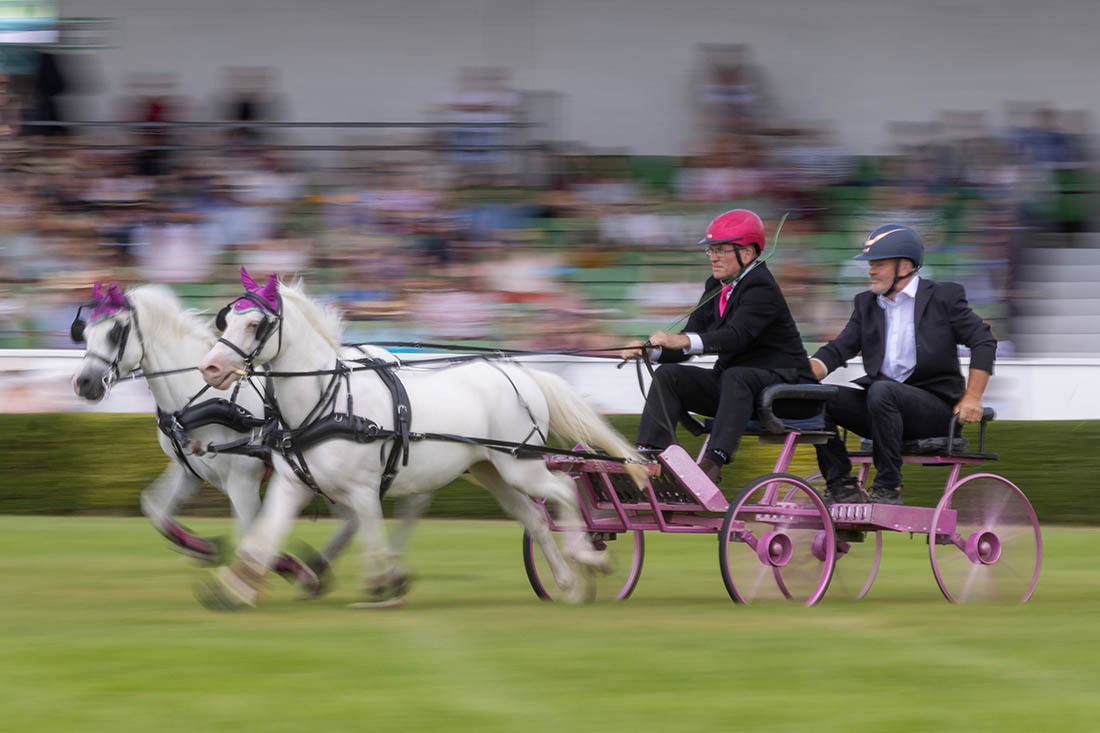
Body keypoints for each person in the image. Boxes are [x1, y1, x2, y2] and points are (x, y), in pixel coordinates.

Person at [621, 209, 815, 485]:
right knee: (669, 375)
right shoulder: (716, 285)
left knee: (736, 376)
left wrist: (683, 340)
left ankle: (713, 462)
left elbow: (736, 337)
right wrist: (650, 351)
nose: (713, 257)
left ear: (746, 253)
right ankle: (648, 456)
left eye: (721, 250)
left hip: (787, 392)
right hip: (740, 390)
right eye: (711, 250)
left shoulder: (761, 287)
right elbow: (689, 340)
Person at [810, 224, 996, 506]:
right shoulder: (865, 304)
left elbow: (983, 341)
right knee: (817, 398)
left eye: (879, 264)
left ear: (905, 266)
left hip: (934, 413)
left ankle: (888, 488)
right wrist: (803, 374)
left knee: (882, 390)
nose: (871, 271)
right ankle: (841, 486)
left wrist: (973, 397)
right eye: (871, 264)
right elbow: (838, 349)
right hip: (882, 408)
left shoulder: (943, 297)